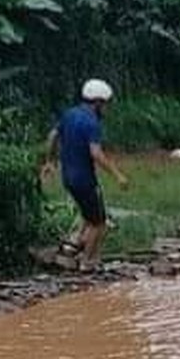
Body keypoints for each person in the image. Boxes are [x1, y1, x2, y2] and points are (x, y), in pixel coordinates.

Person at [41, 79, 129, 271]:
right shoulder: (92, 123)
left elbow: (52, 136)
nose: (106, 108)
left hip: (68, 178)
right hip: (85, 180)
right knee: (100, 224)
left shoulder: (69, 114)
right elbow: (96, 153)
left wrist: (49, 161)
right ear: (97, 102)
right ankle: (88, 262)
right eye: (105, 104)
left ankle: (74, 246)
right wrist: (118, 175)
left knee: (88, 216)